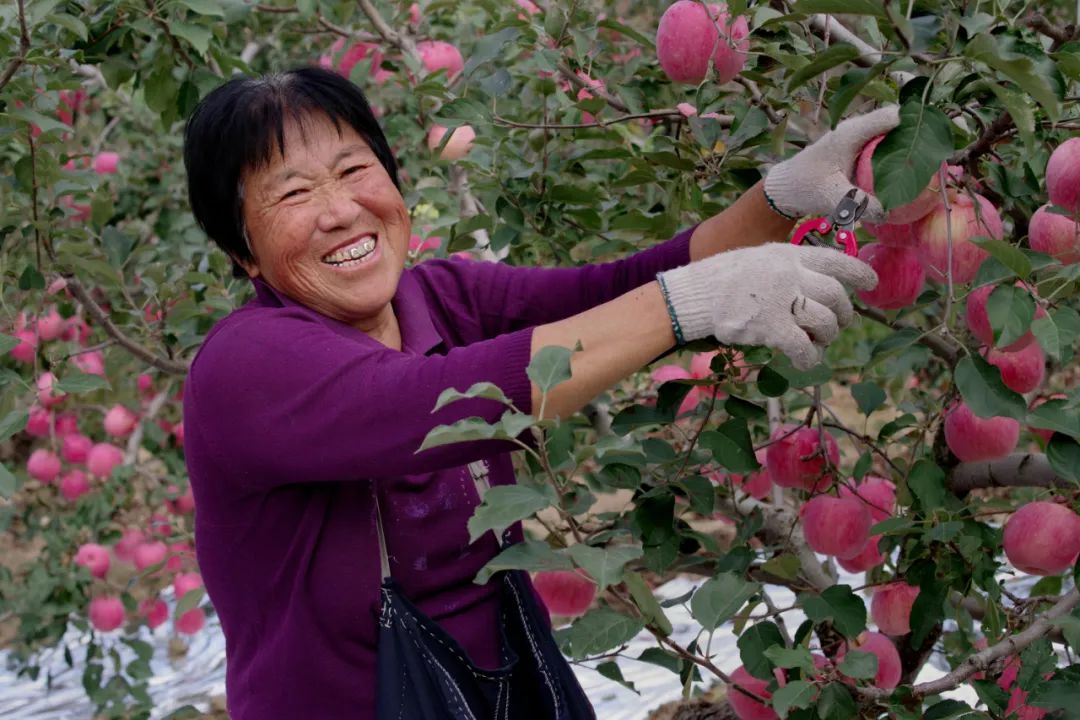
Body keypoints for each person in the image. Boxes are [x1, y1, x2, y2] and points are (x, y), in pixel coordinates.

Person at [181, 65, 897, 719]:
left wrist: (777, 197)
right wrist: (692, 303)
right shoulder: (246, 365)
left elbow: (617, 289)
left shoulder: (442, 297)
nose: (339, 209)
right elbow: (436, 400)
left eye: (353, 169)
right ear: (243, 249)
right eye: (294, 193)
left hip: (519, 690)